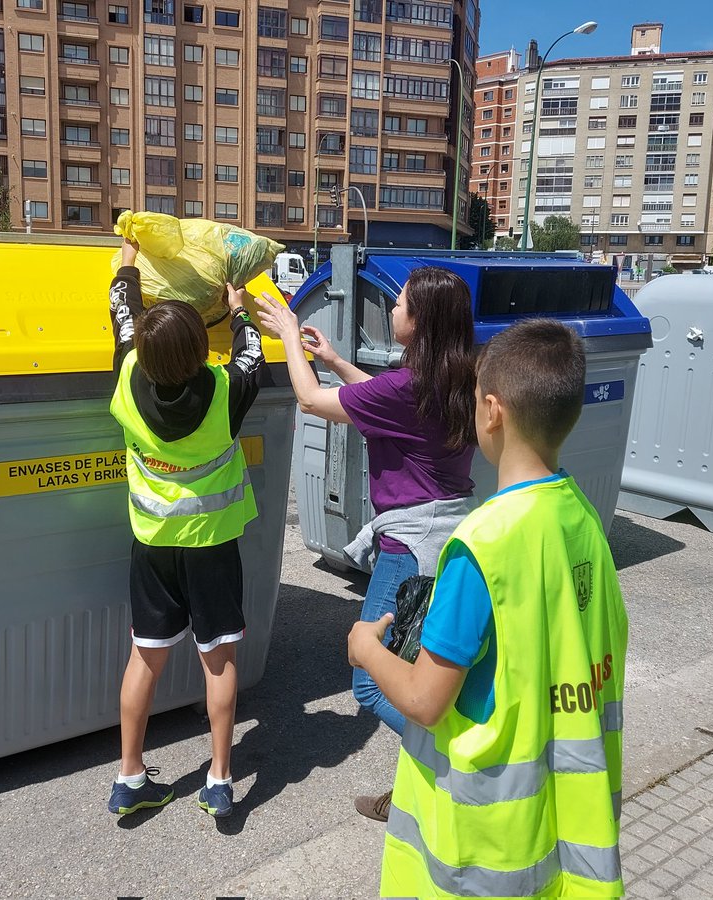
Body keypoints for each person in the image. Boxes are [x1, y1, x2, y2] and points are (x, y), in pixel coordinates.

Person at [348, 319, 629, 897]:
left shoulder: (480, 546)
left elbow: (426, 701)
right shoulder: (579, 515)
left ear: (492, 411)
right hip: (558, 827)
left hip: (480, 846)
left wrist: (366, 652)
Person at [253, 266, 478, 822]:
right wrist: (332, 360)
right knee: (416, 671)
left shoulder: (412, 386)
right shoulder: (455, 376)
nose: (393, 310)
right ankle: (419, 788)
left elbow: (308, 401)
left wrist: (286, 331)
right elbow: (376, 399)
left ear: (420, 321)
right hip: (447, 530)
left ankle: (465, 769)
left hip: (410, 547)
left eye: (399, 302)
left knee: (374, 681)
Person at [106, 237, 265, 819]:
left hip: (152, 547)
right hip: (212, 548)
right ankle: (220, 780)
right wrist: (239, 305)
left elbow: (121, 312)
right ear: (203, 351)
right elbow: (252, 354)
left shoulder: (126, 376)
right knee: (218, 661)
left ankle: (129, 777)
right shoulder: (225, 393)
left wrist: (128, 258)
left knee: (144, 658)